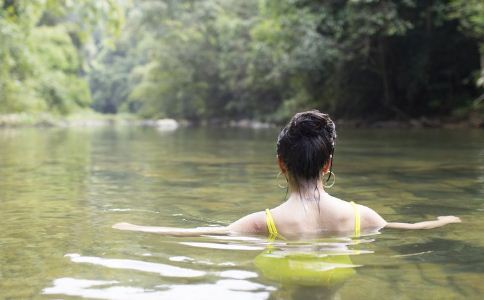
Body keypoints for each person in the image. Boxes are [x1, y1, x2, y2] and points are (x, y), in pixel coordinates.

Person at [113, 110, 461, 238]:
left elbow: (198, 232)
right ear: (328, 164)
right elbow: (409, 228)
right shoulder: (362, 218)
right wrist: (445, 220)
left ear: (281, 163)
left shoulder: (262, 224)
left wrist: (133, 227)